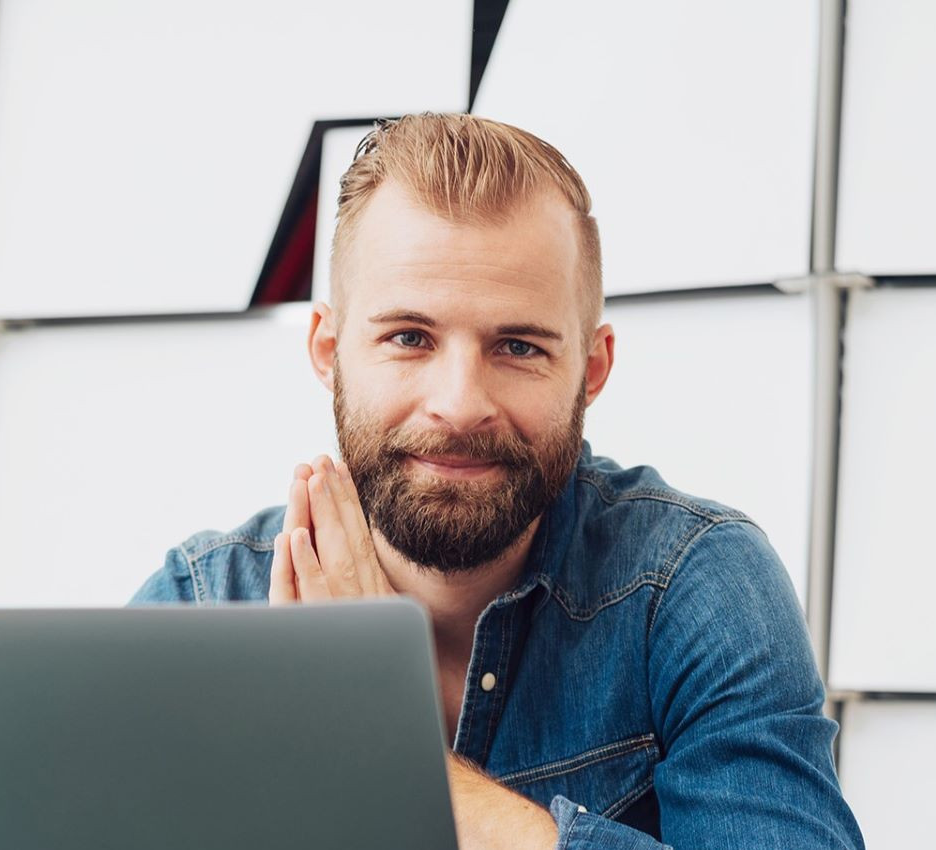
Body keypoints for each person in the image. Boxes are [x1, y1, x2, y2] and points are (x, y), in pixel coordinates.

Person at [131, 112, 864, 849]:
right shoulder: (207, 604)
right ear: (328, 351)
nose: (460, 405)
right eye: (409, 338)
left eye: (517, 346)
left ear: (593, 369)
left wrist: (391, 751)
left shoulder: (697, 587)